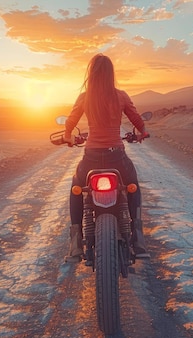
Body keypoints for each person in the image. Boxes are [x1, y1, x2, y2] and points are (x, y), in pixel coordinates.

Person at [63, 53, 150, 263]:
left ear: (91, 74)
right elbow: (137, 120)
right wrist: (142, 133)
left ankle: (76, 242)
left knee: (76, 189)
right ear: (111, 74)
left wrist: (68, 137)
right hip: (116, 158)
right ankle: (137, 237)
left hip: (91, 158)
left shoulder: (84, 98)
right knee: (133, 185)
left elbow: (70, 122)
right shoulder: (120, 96)